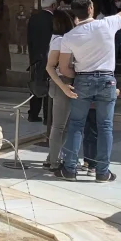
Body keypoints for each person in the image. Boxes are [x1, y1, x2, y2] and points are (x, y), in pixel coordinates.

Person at [56, 0, 121, 182]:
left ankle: (70, 169)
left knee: (76, 124)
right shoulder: (106, 25)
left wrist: (79, 75)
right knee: (105, 126)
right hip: (106, 79)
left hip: (83, 79)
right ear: (91, 8)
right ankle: (102, 172)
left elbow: (64, 67)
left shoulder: (69, 36)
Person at [45, 9, 79, 170]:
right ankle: (53, 162)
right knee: (59, 126)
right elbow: (51, 66)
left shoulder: (58, 39)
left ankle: (52, 156)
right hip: (62, 82)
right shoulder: (60, 41)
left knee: (61, 125)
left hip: (59, 82)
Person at [27, 0, 58, 123]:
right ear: (54, 5)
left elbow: (29, 40)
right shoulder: (54, 19)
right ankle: (48, 116)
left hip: (36, 58)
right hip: (49, 57)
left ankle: (33, 114)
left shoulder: (33, 18)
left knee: (36, 86)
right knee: (48, 87)